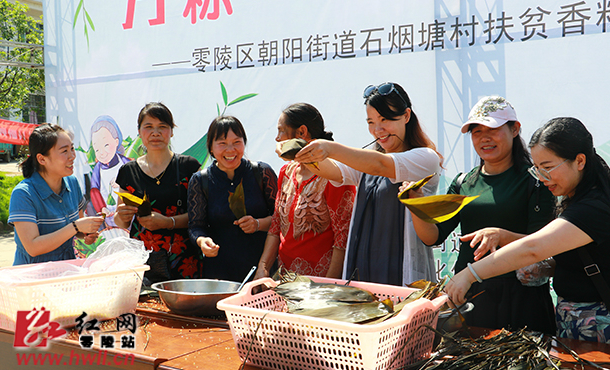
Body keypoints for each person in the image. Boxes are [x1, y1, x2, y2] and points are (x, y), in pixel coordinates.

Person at [445, 117, 610, 344]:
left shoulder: (593, 207)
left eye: (548, 168)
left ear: (579, 161)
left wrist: (470, 274)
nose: (543, 178)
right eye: (537, 170)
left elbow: (533, 248)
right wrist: (547, 268)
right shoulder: (574, 199)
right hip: (574, 321)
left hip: (603, 326)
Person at [403, 96, 556, 334]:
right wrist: (415, 202)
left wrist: (501, 236)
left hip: (522, 299)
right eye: (476, 131)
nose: (484, 138)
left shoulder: (536, 181)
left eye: (493, 129)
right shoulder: (464, 182)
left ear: (514, 129)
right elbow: (432, 237)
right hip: (470, 296)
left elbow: (545, 245)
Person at [294, 82, 442, 286]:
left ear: (406, 116)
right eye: (371, 122)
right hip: (363, 271)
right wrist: (299, 153)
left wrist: (330, 148)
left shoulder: (425, 158)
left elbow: (382, 165)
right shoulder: (367, 161)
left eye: (385, 119)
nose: (377, 129)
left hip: (402, 276)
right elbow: (334, 172)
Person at [255, 103, 355, 280]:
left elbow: (343, 238)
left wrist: (330, 286)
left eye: (281, 131)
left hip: (320, 285)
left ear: (301, 132)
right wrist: (263, 268)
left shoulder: (336, 176)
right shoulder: (286, 172)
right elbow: (276, 225)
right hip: (286, 281)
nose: (277, 139)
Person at [114, 102, 202, 282]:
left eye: (162, 127)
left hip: (184, 260)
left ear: (171, 131)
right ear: (139, 132)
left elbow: (200, 216)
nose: (155, 133)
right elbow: (120, 221)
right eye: (148, 127)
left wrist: (168, 222)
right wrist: (122, 216)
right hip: (142, 260)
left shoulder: (189, 166)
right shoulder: (128, 171)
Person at [188, 115, 277, 282]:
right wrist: (202, 241)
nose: (230, 150)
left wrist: (258, 224)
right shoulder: (201, 180)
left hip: (260, 271)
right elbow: (195, 226)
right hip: (218, 273)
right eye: (222, 143)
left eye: (237, 142)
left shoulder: (262, 173)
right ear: (211, 148)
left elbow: (282, 220)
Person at [9, 123, 104, 265]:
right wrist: (76, 227)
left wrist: (85, 233)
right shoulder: (23, 194)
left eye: (72, 148)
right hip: (32, 277)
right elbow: (33, 247)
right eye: (64, 151)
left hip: (65, 272)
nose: (72, 156)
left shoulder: (72, 183)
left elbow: (76, 228)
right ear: (42, 159)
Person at [89, 115, 131, 227]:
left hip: (128, 217)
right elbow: (94, 190)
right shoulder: (98, 168)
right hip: (108, 218)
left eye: (106, 145)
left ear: (116, 141)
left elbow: (138, 186)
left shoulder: (127, 164)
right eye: (97, 149)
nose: (102, 152)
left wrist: (122, 184)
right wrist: (102, 208)